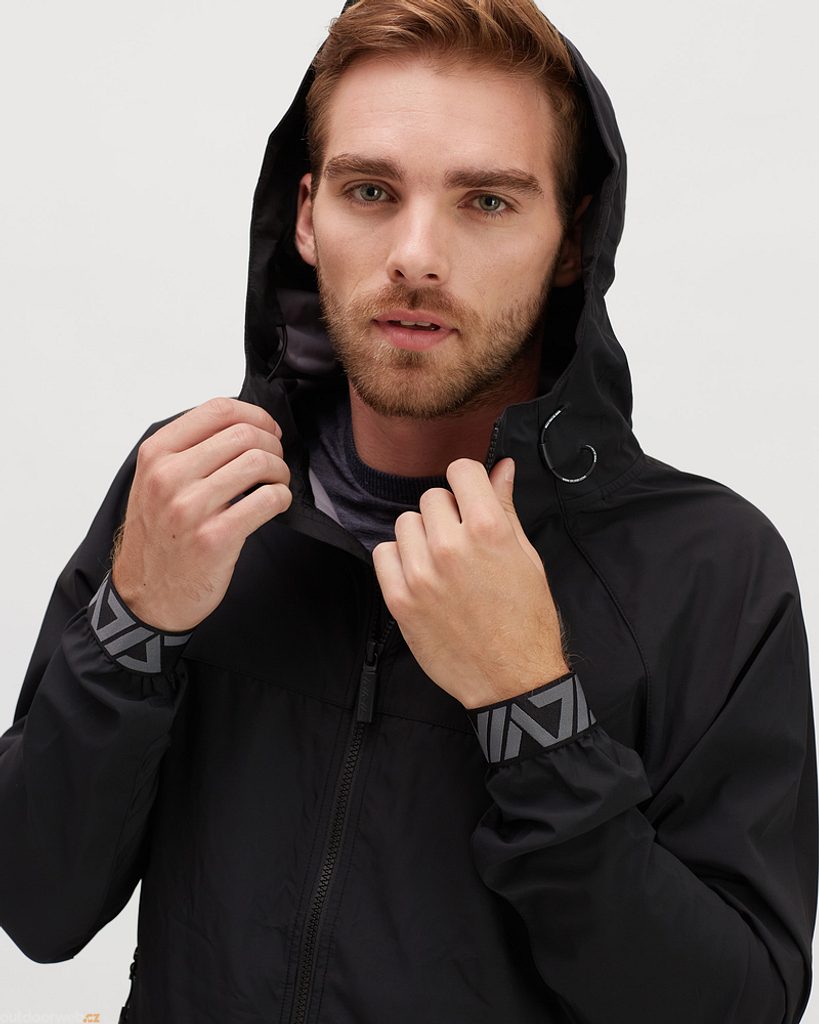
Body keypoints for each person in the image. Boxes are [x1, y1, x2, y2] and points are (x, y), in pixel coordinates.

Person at [1, 0, 815, 1020]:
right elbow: (36, 904)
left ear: (572, 238)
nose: (416, 254)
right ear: (308, 216)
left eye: (487, 201)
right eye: (371, 191)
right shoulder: (189, 490)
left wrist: (533, 709)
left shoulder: (707, 567)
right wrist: (134, 626)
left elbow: (738, 1005)